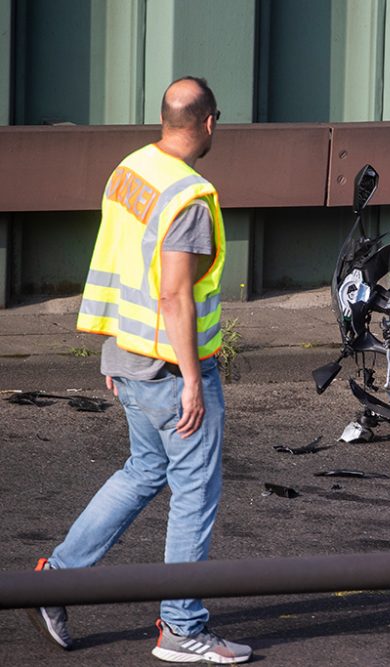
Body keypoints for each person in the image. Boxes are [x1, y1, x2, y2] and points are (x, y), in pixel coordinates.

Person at [27, 76, 252, 664]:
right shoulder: (189, 197)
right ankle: (181, 627)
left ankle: (54, 580)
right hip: (171, 369)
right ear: (208, 123)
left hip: (129, 355)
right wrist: (196, 382)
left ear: (165, 119)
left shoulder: (132, 169)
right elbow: (175, 296)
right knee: (194, 493)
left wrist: (113, 346)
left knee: (144, 470)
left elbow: (115, 254)